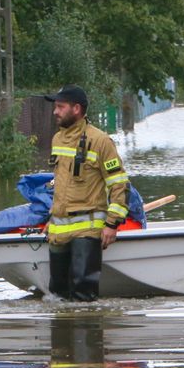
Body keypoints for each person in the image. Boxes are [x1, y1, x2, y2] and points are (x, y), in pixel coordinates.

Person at [42, 85, 130, 301]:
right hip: (59, 229)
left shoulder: (100, 141)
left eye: (61, 107)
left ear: (77, 109)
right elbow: (61, 183)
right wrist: (52, 218)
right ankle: (63, 333)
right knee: (57, 295)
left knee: (83, 295)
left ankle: (88, 331)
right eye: (56, 107)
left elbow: (119, 184)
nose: (55, 112)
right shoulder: (57, 139)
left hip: (87, 230)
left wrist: (112, 224)